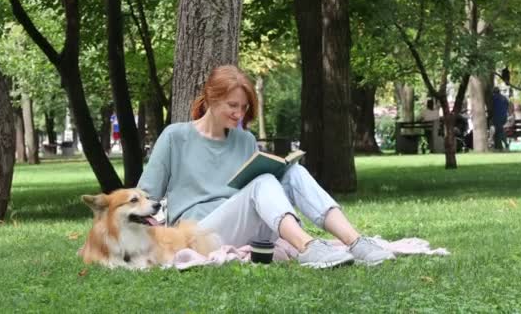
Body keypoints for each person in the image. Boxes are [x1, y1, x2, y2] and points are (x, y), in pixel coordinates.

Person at [137, 65, 395, 268]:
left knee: (295, 171)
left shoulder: (245, 140)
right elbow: (144, 199)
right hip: (199, 235)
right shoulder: (175, 136)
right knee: (262, 182)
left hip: (250, 228)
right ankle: (308, 248)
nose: (239, 114)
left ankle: (357, 242)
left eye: (244, 107)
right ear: (211, 99)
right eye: (233, 106)